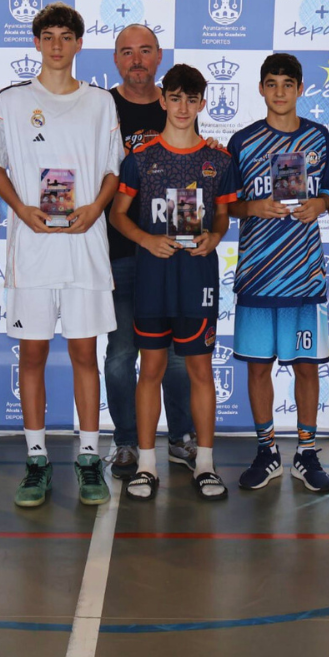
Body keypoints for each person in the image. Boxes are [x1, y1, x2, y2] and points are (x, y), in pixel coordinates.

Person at [0, 2, 124, 508]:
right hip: (35, 249)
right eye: (49, 36)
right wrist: (22, 209)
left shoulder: (100, 102)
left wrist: (97, 209)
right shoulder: (13, 99)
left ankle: (89, 457)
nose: (58, 44)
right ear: (37, 43)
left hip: (86, 247)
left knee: (86, 353)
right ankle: (37, 458)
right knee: (34, 355)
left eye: (67, 36)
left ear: (79, 44)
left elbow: (113, 171)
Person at [110, 63, 233, 501]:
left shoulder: (218, 160)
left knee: (200, 370)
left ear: (203, 103)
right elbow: (117, 215)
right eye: (175, 98)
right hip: (153, 279)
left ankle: (204, 463)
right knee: (151, 370)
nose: (183, 107)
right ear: (163, 100)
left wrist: (215, 237)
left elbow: (222, 213)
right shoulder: (140, 160)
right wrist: (147, 238)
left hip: (197, 278)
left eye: (192, 99)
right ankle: (146, 465)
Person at [225, 53, 329, 493]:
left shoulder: (318, 136)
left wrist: (320, 204)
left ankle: (305, 452)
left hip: (303, 277)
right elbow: (227, 205)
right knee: (258, 368)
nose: (280, 91)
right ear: (261, 89)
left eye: (288, 84)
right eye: (272, 83)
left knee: (307, 367)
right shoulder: (243, 141)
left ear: (301, 88)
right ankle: (267, 451)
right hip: (257, 275)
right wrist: (253, 206)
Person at [106, 24, 196, 480]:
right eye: (127, 52)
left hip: (175, 256)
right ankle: (124, 443)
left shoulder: (177, 102)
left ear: (159, 56)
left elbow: (198, 159)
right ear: (116, 59)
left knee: (179, 356)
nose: (137, 59)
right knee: (122, 353)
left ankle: (181, 436)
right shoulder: (100, 106)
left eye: (145, 51)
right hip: (120, 251)